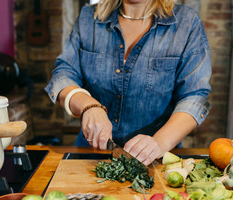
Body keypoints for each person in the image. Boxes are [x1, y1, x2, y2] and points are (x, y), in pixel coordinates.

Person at [45, 0, 211, 166]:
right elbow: (63, 75)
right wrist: (89, 106)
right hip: (91, 155)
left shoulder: (187, 22)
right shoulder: (88, 18)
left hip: (155, 160)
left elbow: (194, 96)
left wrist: (159, 142)